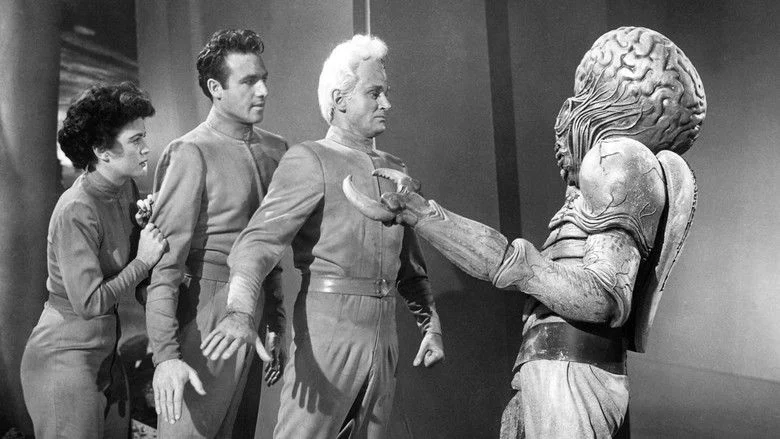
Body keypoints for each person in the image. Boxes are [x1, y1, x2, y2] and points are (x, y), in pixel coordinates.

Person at [344, 26, 707, 438]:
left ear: (596, 107)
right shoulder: (604, 173)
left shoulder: (617, 158)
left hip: (571, 376)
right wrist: (420, 214)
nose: (562, 117)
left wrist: (518, 265)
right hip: (553, 372)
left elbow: (605, 297)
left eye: (579, 97)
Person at [201, 34, 445, 438]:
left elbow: (409, 267)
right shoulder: (310, 159)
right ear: (340, 99)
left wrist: (430, 325)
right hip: (328, 338)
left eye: (385, 93)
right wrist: (240, 311)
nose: (387, 103)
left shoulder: (396, 169)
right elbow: (257, 243)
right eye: (375, 93)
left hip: (384, 342)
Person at [145, 29, 288, 438]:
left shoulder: (277, 150)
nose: (263, 90)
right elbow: (165, 268)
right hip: (203, 316)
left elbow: (270, 248)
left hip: (255, 314)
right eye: (248, 81)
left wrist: (276, 320)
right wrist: (166, 357)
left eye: (264, 79)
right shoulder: (190, 152)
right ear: (215, 88)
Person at [20, 82, 167, 438]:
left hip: (105, 356)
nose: (146, 148)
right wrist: (142, 262)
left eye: (144, 137)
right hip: (64, 358)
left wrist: (145, 226)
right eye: (135, 140)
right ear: (102, 151)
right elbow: (89, 303)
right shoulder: (76, 209)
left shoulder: (126, 189)